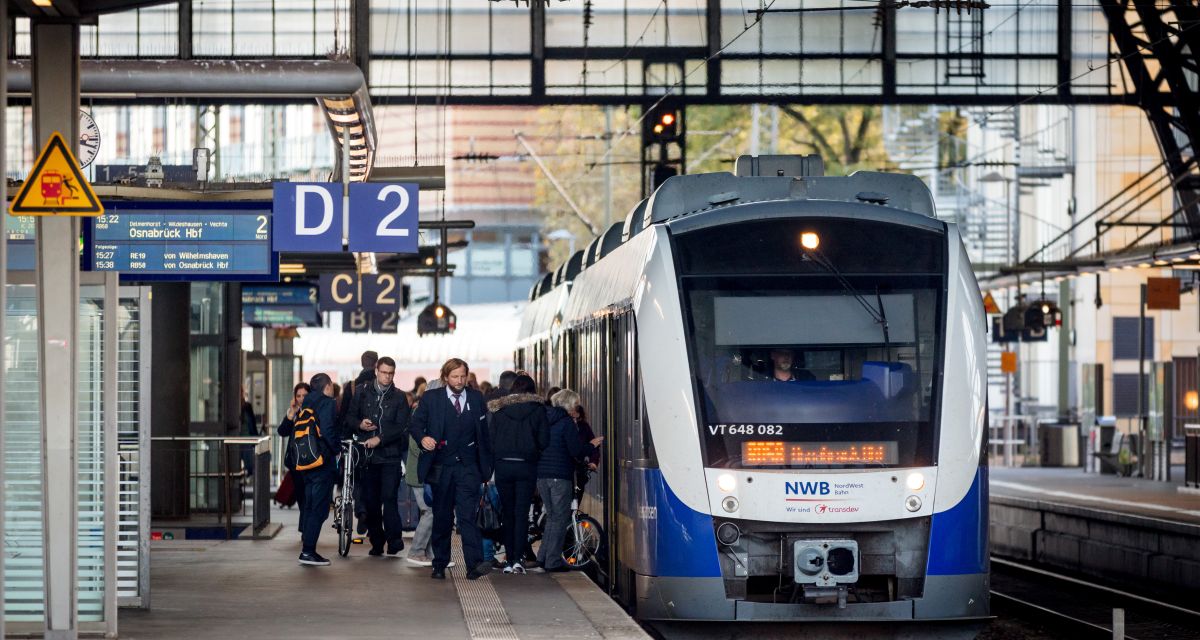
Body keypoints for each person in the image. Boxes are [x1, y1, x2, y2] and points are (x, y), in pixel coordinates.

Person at [411, 358, 493, 580]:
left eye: (462, 376)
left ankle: (474, 565)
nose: (459, 381)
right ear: (445, 377)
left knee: (468, 516)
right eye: (455, 376)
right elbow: (415, 424)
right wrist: (423, 438)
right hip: (441, 467)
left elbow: (484, 434)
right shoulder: (431, 398)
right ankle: (439, 563)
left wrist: (487, 468)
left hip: (468, 468)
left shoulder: (476, 398)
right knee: (442, 517)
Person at [344, 356, 411, 557]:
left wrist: (380, 439)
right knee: (371, 502)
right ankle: (377, 541)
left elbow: (402, 427)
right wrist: (359, 425)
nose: (387, 376)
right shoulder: (363, 393)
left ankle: (394, 541)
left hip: (389, 457)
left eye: (391, 373)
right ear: (376, 371)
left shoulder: (399, 397)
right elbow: (349, 417)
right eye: (384, 372)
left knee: (389, 499)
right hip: (367, 458)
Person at [487, 374, 550, 574]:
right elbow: (544, 440)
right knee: (521, 514)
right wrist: (532, 451)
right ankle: (517, 560)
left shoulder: (499, 411)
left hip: (504, 467)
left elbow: (492, 440)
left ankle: (507, 561)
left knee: (508, 513)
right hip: (526, 467)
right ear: (532, 391)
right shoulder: (538, 410)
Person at [536, 388, 603, 572]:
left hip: (542, 476)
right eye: (575, 404)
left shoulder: (545, 419)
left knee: (552, 517)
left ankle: (542, 557)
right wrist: (592, 445)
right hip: (560, 476)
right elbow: (577, 451)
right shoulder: (566, 423)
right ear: (568, 405)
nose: (576, 408)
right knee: (560, 518)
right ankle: (553, 562)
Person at [296, 373, 340, 566]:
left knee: (310, 504)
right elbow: (328, 430)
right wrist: (337, 450)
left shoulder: (307, 402)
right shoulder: (328, 403)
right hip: (322, 462)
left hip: (306, 462)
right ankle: (308, 551)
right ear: (328, 386)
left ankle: (307, 546)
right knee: (320, 509)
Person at [277, 382, 311, 519]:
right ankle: (304, 529)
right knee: (301, 498)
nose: (301, 398)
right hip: (295, 463)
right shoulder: (294, 413)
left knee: (310, 498)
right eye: (298, 395)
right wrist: (291, 413)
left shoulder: (315, 411)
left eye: (305, 395)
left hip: (311, 461)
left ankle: (307, 528)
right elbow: (282, 431)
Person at [573, 403, 600, 493]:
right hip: (566, 470)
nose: (575, 421)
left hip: (579, 470)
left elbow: (593, 446)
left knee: (578, 493)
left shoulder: (584, 427)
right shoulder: (565, 425)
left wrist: (593, 462)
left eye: (578, 419)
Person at [240, 386, 259, 476]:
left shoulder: (247, 406)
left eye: (241, 392)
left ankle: (248, 478)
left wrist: (256, 438)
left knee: (250, 464)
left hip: (247, 439)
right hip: (236, 439)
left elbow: (252, 423)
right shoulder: (230, 407)